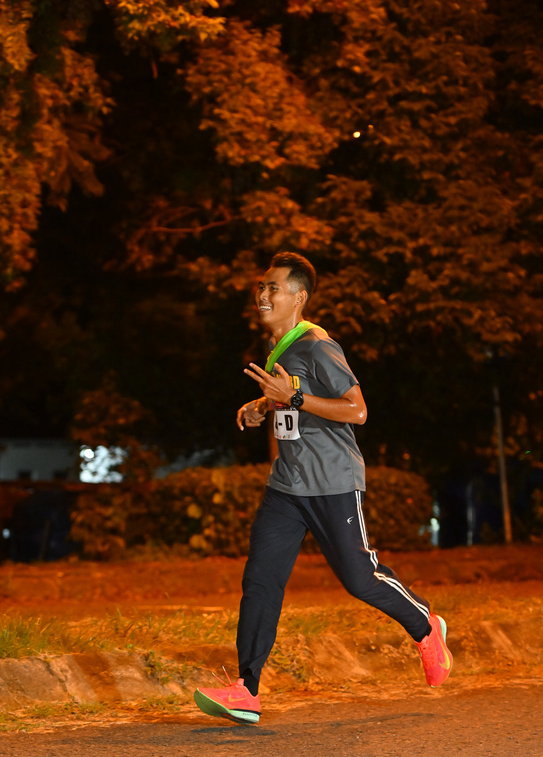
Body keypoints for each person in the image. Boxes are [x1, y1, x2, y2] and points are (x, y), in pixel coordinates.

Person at [194, 251, 452, 725]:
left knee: (359, 579)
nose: (263, 294)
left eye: (273, 288)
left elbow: (357, 410)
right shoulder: (279, 347)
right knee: (261, 580)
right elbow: (293, 401)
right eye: (261, 287)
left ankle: (425, 624)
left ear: (299, 297)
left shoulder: (317, 345)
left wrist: (290, 396)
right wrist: (262, 406)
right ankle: (246, 689)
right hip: (287, 486)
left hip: (333, 482)